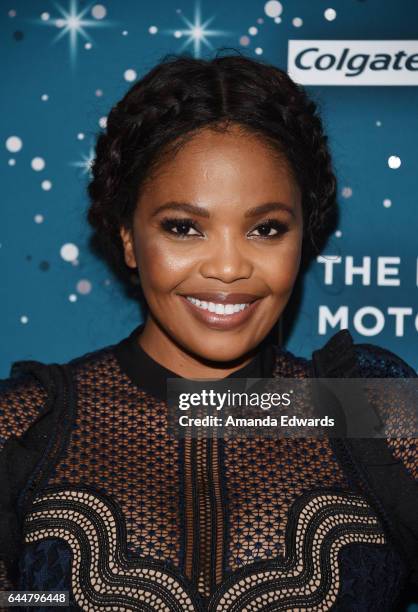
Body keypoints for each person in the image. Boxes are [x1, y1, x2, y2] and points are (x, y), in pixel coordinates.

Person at [0, 52, 417, 611]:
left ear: (303, 236)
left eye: (266, 228)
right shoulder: (24, 429)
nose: (227, 267)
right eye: (184, 228)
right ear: (127, 236)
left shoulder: (374, 412)